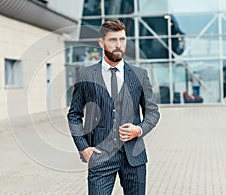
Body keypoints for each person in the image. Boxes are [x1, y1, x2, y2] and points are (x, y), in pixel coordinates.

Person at [67, 20, 160, 195]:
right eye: (113, 40)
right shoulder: (86, 75)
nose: (118, 45)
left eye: (122, 39)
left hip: (134, 157)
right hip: (100, 156)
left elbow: (153, 112)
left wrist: (139, 130)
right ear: (101, 42)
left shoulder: (140, 75)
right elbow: (74, 115)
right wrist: (84, 148)